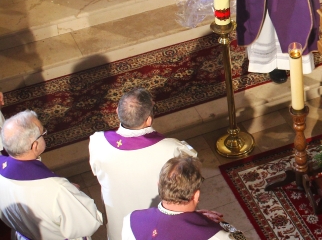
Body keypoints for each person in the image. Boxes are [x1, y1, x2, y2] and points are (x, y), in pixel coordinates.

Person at [89, 88, 197, 240]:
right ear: (149, 120)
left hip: (120, 227)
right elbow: (191, 166)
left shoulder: (97, 141)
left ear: (117, 111)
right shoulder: (171, 149)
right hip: (157, 226)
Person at [0, 110, 103, 239]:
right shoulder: (57, 190)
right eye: (43, 133)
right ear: (35, 145)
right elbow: (89, 223)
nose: (44, 135)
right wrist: (70, 194)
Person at [122, 156, 243, 240]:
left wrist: (194, 219)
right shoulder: (216, 236)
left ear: (159, 185)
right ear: (196, 195)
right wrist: (223, 224)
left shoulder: (131, 220)